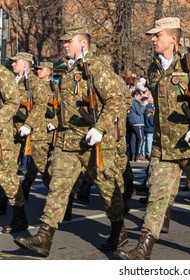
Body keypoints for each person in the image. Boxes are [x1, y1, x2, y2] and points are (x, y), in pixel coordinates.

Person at [113, 17, 190, 260]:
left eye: (157, 35)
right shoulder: (154, 68)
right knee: (157, 196)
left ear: (172, 38)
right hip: (164, 147)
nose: (152, 39)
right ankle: (144, 247)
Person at [14, 25, 128, 257]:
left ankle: (119, 229)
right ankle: (44, 237)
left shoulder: (97, 67)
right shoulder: (67, 71)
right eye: (64, 41)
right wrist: (55, 122)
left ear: (83, 43)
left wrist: (100, 128)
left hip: (93, 140)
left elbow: (117, 100)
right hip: (68, 141)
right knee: (58, 186)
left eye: (69, 41)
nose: (65, 45)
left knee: (106, 187)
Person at [20, 61, 56, 200]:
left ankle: (58, 193)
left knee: (44, 163)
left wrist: (54, 122)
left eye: (42, 69)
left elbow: (61, 110)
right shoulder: (31, 85)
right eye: (38, 69)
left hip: (50, 131)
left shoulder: (55, 88)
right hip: (38, 128)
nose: (38, 71)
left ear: (49, 72)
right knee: (37, 162)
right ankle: (26, 187)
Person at [0, 64, 29, 234]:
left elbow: (13, 101)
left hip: (1, 136)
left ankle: (19, 217)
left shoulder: (3, 74)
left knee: (6, 177)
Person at [127, 89, 147, 161]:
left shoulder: (131, 102)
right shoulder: (134, 102)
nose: (140, 98)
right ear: (135, 96)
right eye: (139, 96)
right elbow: (139, 112)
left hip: (133, 123)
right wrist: (144, 105)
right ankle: (138, 155)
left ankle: (133, 155)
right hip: (138, 123)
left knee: (133, 139)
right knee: (141, 139)